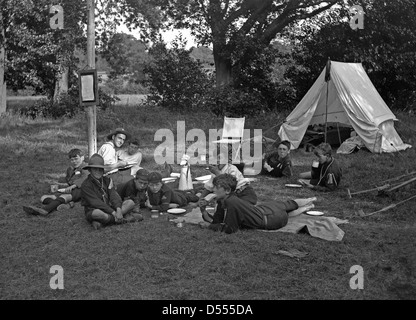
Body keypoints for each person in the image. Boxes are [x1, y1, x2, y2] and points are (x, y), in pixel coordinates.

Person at [205, 174, 317, 234]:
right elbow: (218, 221)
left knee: (286, 214)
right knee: (288, 205)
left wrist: (210, 227)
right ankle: (309, 202)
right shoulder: (224, 200)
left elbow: (230, 229)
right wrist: (205, 213)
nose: (213, 189)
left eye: (216, 187)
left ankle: (309, 204)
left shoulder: (231, 202)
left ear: (227, 190)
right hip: (265, 210)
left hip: (271, 220)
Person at [80, 153, 142, 230]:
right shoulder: (86, 185)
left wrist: (118, 209)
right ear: (90, 170)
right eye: (95, 169)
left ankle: (105, 221)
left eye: (100, 169)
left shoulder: (108, 180)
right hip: (95, 209)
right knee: (97, 213)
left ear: (103, 170)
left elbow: (114, 196)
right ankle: (122, 219)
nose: (98, 171)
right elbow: (95, 203)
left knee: (130, 203)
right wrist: (113, 212)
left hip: (110, 208)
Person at [23, 148, 89, 216]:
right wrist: (58, 184)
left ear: (82, 158)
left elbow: (85, 177)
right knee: (43, 198)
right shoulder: (70, 169)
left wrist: (74, 185)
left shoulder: (86, 167)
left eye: (76, 159)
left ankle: (45, 210)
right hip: (69, 189)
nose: (74, 161)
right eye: (72, 160)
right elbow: (67, 181)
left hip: (81, 189)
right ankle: (65, 205)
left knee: (64, 196)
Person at [198, 153, 257, 222]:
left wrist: (217, 173)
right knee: (221, 207)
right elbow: (209, 187)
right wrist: (199, 201)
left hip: (244, 194)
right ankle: (213, 220)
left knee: (240, 216)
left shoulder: (232, 169)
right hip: (230, 196)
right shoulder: (215, 172)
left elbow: (228, 184)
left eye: (220, 158)